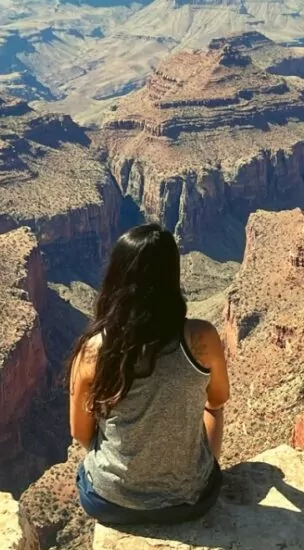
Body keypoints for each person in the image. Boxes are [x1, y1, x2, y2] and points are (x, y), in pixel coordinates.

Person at [69, 223, 230, 526]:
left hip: (108, 501)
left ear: (116, 277)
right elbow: (219, 398)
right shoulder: (201, 337)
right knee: (212, 408)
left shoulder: (93, 350)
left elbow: (80, 433)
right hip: (190, 502)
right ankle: (193, 473)